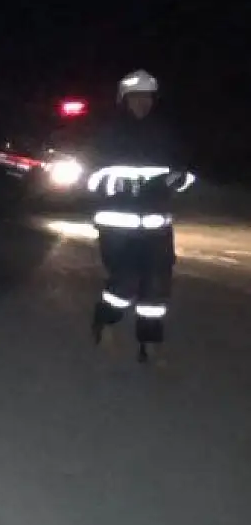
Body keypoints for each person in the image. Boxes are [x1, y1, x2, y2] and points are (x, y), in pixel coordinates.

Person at [87, 69, 193, 363]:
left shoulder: (165, 133)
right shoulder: (108, 133)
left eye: (147, 97)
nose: (142, 103)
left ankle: (149, 342)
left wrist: (177, 180)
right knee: (126, 281)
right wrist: (114, 183)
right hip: (118, 226)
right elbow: (89, 177)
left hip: (156, 224)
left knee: (157, 285)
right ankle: (105, 319)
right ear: (124, 100)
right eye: (136, 97)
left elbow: (185, 172)